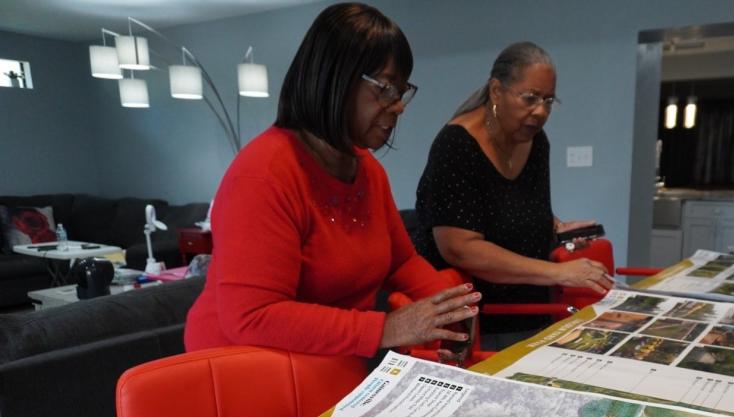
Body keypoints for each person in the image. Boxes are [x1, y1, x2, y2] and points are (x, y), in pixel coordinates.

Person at [185, 2, 479, 359]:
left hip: (321, 366)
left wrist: (449, 309)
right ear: (334, 80)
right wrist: (388, 328)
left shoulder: (365, 169)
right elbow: (252, 317)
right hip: (242, 374)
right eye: (386, 88)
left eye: (401, 92)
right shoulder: (263, 175)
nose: (398, 106)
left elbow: (399, 262)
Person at [412, 41, 612, 347]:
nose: (541, 111)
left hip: (532, 309)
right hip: (475, 324)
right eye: (530, 98)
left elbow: (516, 206)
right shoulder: (457, 146)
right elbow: (460, 248)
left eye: (548, 101)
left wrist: (554, 226)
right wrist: (559, 273)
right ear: (496, 91)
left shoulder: (536, 141)